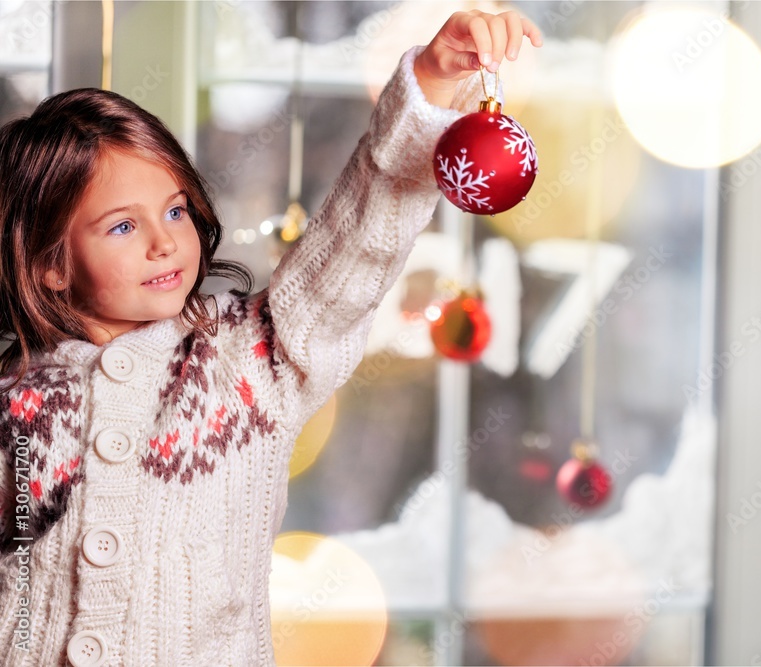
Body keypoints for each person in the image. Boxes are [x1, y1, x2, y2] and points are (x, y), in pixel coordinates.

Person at [0, 10, 541, 666]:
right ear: (49, 264)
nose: (165, 240)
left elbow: (355, 249)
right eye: (121, 226)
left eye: (175, 209)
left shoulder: (249, 358)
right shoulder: (17, 400)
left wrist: (427, 83)